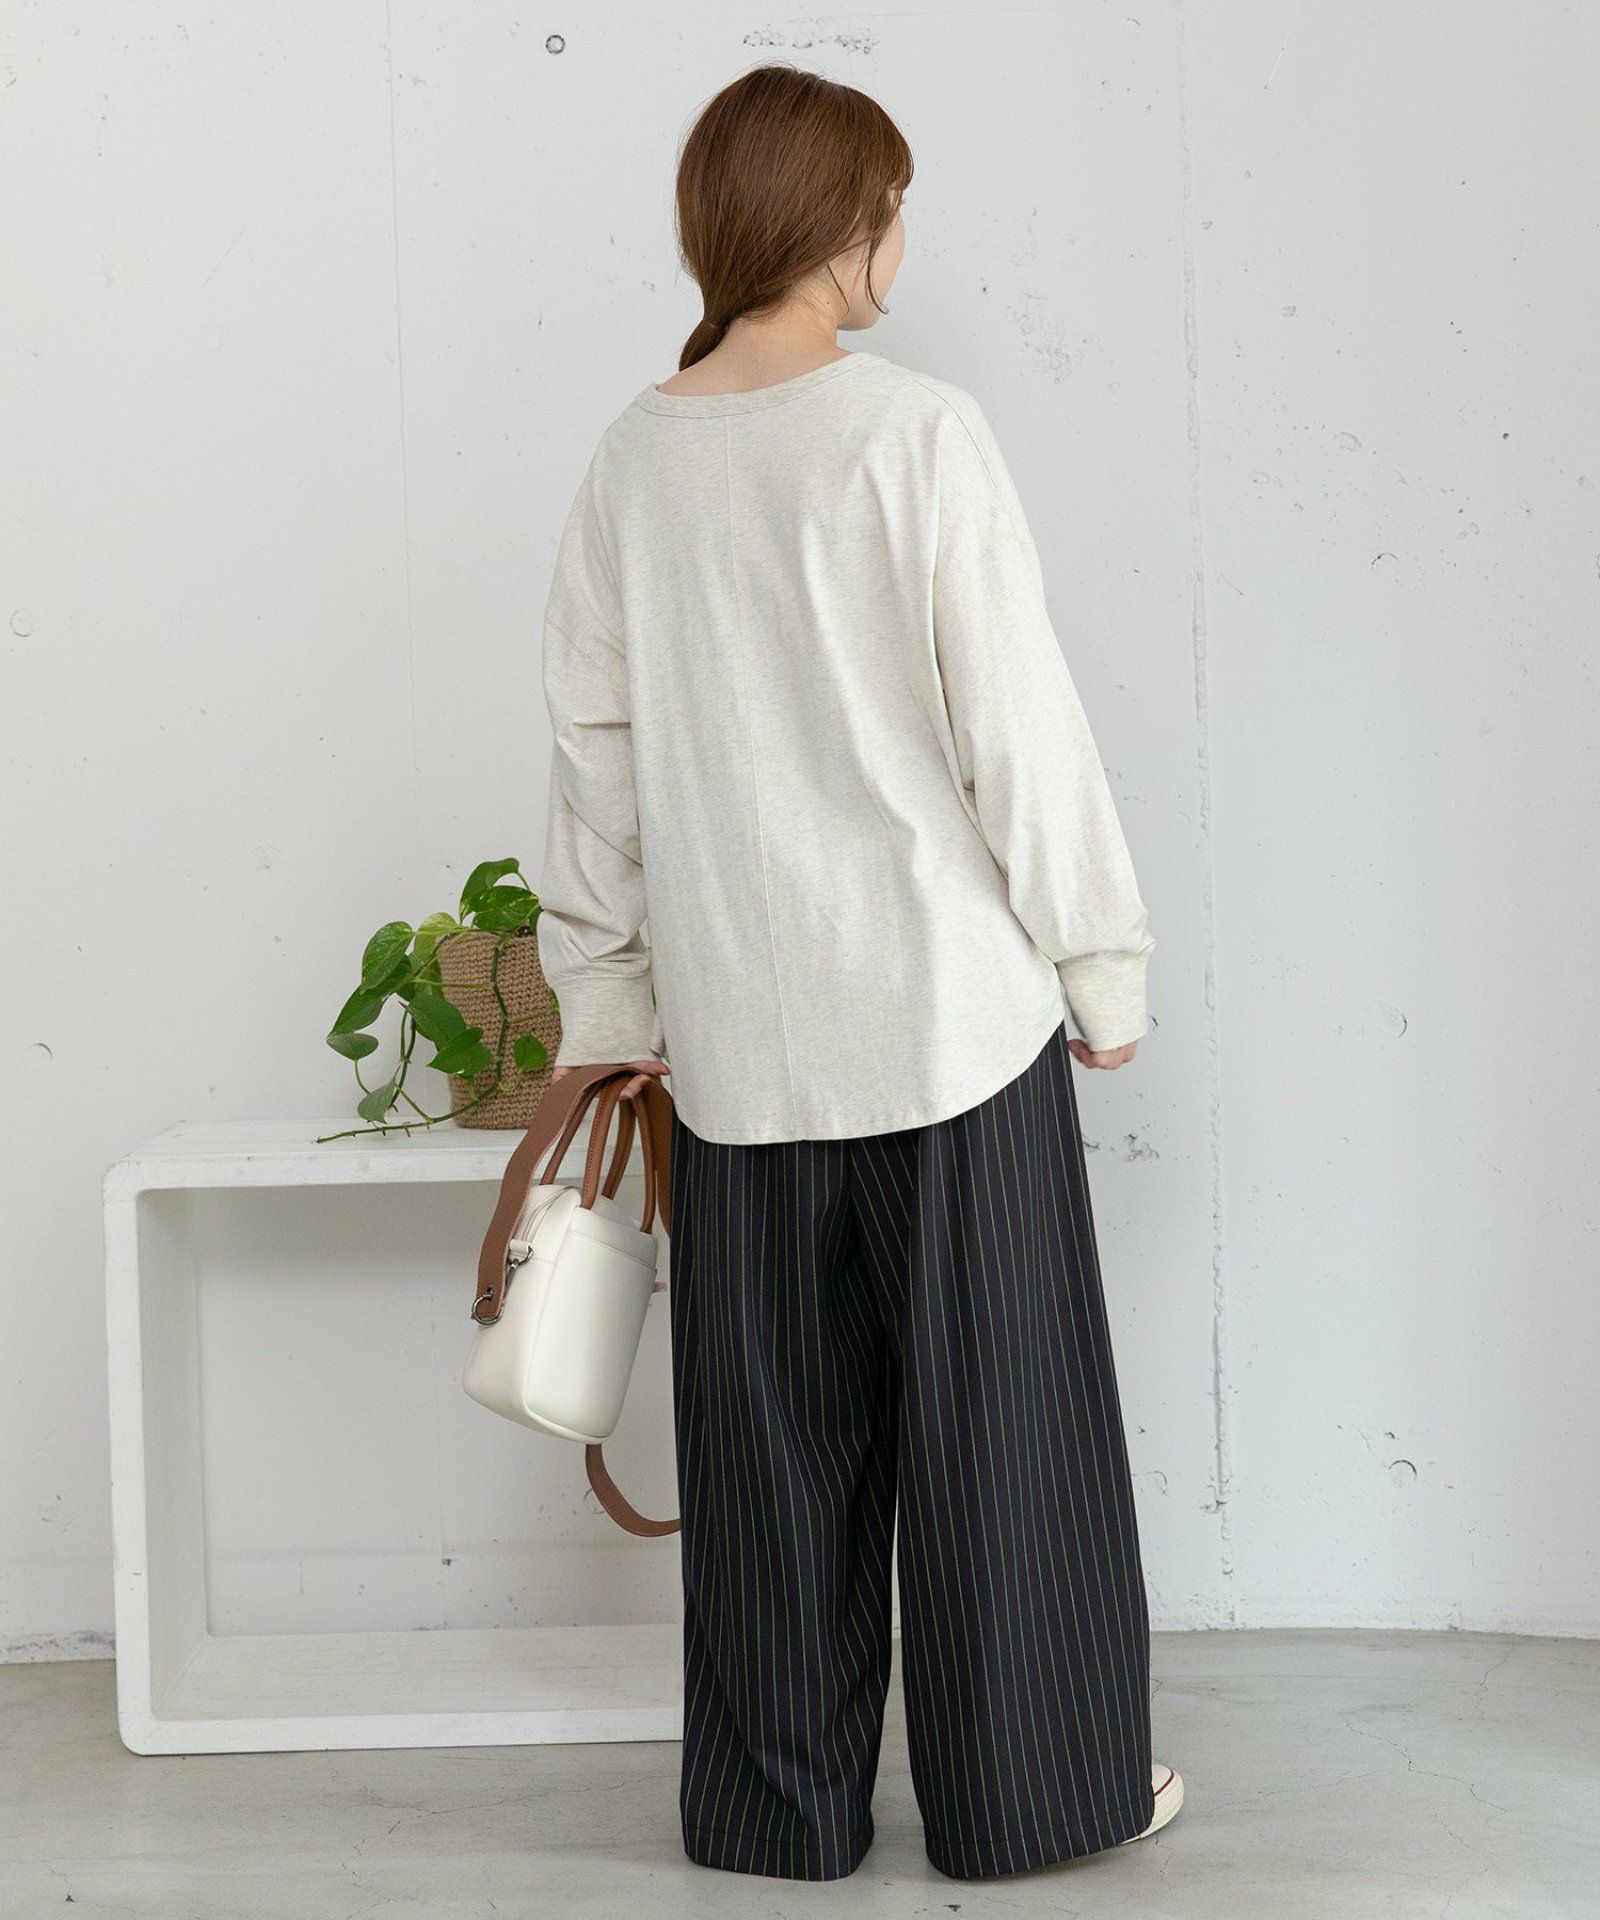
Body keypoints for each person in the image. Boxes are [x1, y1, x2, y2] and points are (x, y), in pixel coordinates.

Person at [537, 61, 1181, 1882]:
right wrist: (1102, 965)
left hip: (742, 1052)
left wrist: (609, 1010)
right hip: (946, 1025)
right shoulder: (915, 435)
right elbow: (1018, 733)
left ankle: (779, 1811)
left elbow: (592, 763)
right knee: (1003, 1448)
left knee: (770, 1459)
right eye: (893, 208)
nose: (905, 241)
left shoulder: (634, 460)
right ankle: (1035, 1796)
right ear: (845, 225)